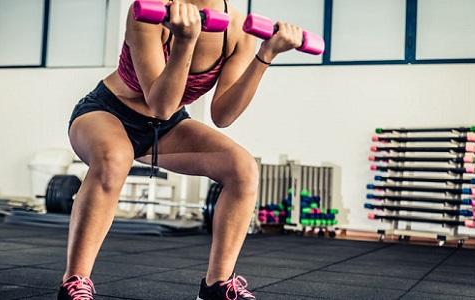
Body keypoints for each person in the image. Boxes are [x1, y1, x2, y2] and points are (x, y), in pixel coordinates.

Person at [57, 0, 305, 299]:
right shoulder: (150, 12)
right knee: (115, 158)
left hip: (165, 127)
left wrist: (265, 55)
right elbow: (160, 104)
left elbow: (223, 115)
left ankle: (217, 286)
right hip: (107, 112)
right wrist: (185, 41)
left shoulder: (238, 29)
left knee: (242, 167)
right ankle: (75, 281)